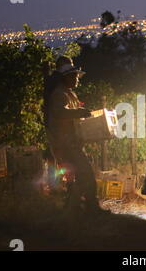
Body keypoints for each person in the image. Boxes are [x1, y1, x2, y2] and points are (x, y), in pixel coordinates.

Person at [46, 61, 105, 214]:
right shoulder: (60, 94)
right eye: (75, 76)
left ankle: (73, 209)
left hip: (69, 142)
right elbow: (60, 113)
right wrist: (80, 112)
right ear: (68, 77)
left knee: (76, 177)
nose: (78, 79)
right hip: (67, 144)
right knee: (86, 174)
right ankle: (91, 207)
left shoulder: (67, 93)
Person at [42, 56, 73, 188]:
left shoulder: (52, 79)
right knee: (62, 156)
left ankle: (56, 186)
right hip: (57, 124)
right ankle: (62, 187)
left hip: (51, 122)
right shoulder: (58, 81)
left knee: (54, 156)